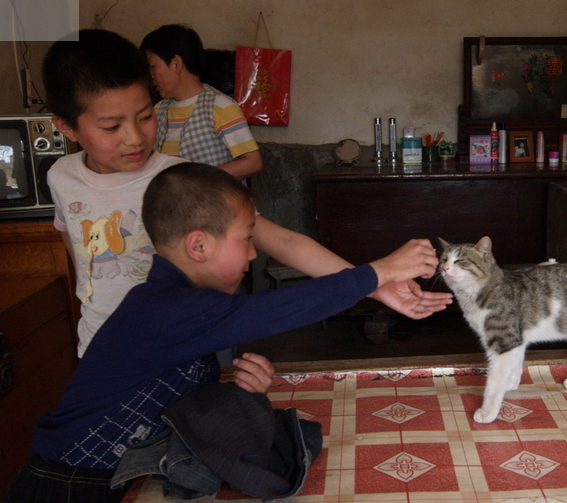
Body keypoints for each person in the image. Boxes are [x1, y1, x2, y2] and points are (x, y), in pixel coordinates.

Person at [0, 161, 441, 503]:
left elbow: (170, 398)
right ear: (198, 246)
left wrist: (239, 391)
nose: (253, 254)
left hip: (111, 488)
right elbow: (276, 310)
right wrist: (379, 272)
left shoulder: (182, 304)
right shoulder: (163, 308)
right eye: (246, 239)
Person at [43, 29, 450, 356]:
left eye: (146, 116)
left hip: (182, 344)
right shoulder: (61, 178)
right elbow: (79, 257)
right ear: (65, 126)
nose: (134, 137)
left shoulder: (179, 180)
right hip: (100, 348)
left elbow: (284, 242)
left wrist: (375, 285)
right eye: (112, 127)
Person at [140, 24, 262, 181]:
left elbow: (253, 163)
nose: (150, 75)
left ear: (176, 64)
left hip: (211, 197)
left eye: (153, 66)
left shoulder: (219, 106)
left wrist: (200, 180)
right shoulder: (158, 111)